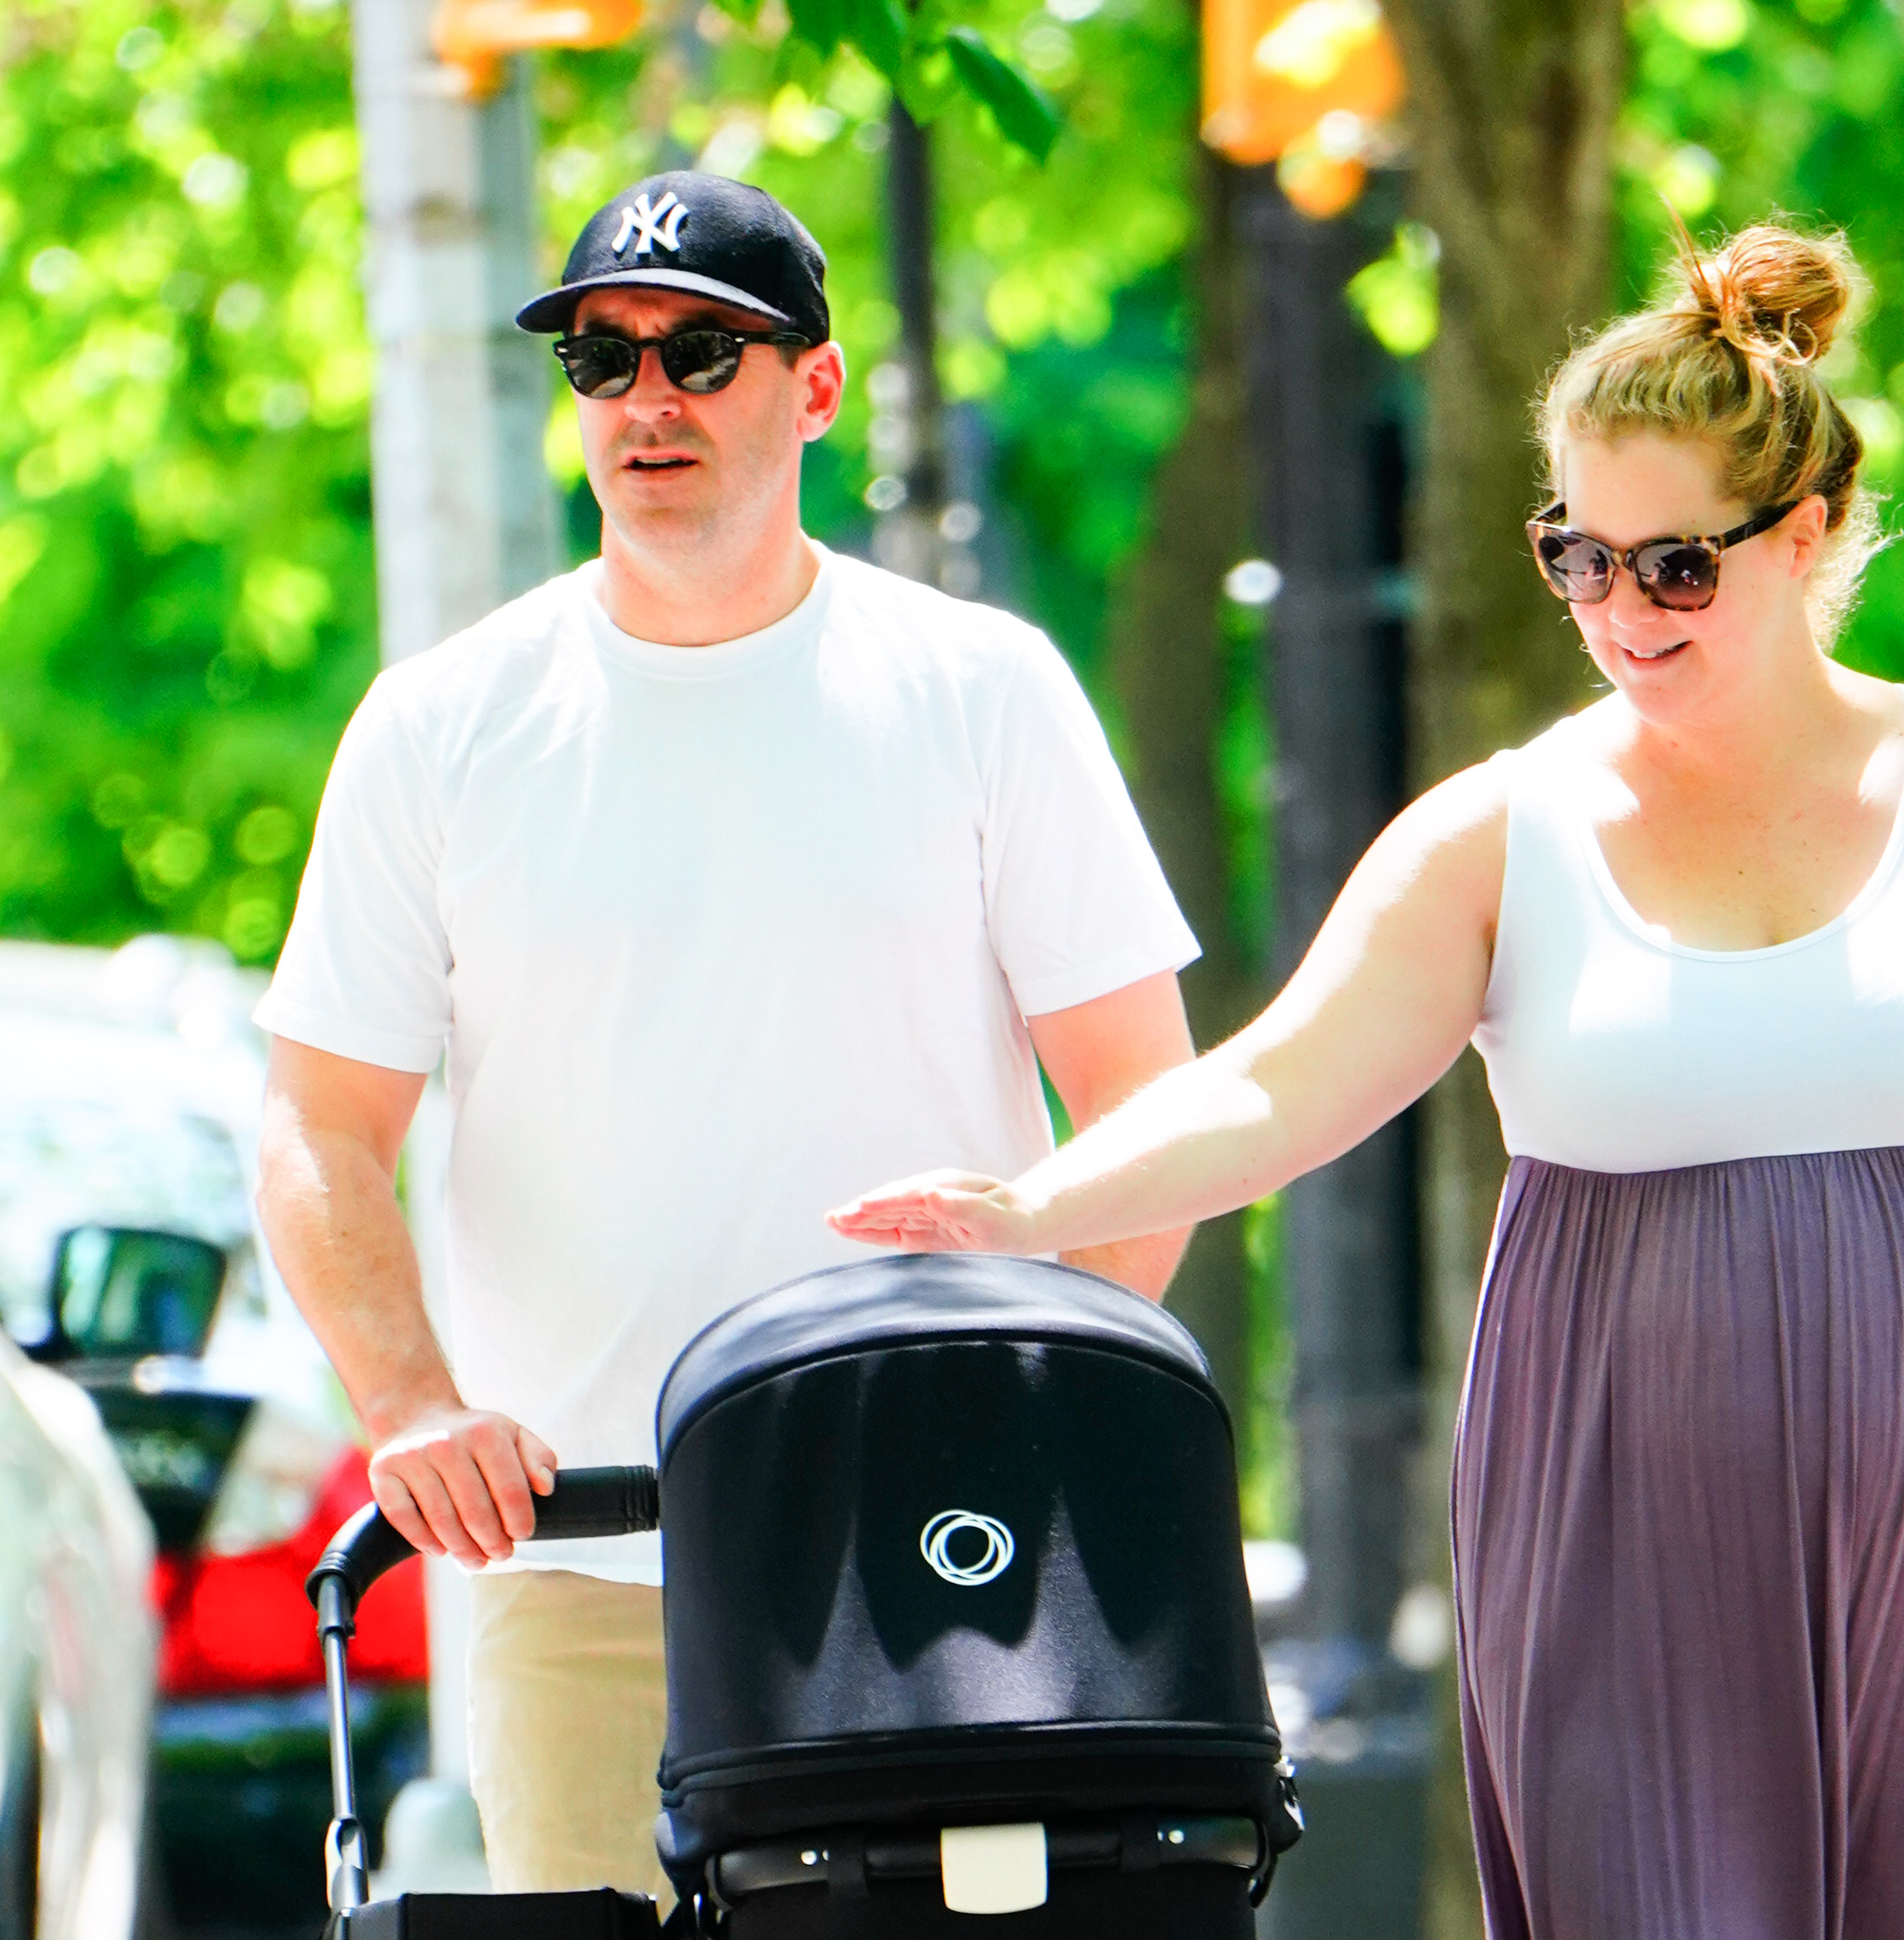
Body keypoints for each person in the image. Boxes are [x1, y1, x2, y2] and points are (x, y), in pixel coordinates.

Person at [830, 223, 1904, 1937]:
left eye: (1673, 569)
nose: (1613, 613)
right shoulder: (1502, 831)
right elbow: (1280, 1086)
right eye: (1574, 558)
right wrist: (1035, 1206)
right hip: (1618, 1544)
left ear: (1800, 536)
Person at [252, 172, 1201, 1900]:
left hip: (934, 1563)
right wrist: (408, 1407)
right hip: (581, 1566)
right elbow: (318, 1124)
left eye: (701, 351)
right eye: (603, 363)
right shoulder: (444, 724)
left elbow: (1148, 1106)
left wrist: (1017, 1401)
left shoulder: (979, 692)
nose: (647, 401)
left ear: (815, 389)